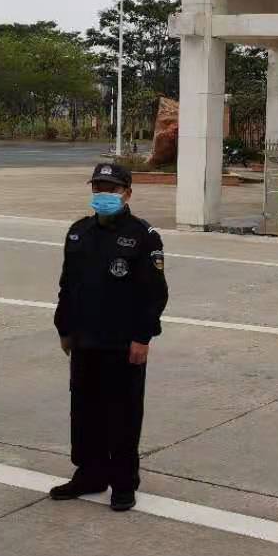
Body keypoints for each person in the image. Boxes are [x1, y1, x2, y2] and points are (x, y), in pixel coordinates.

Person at [52, 163, 169, 511]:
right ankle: (89, 474)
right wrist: (64, 328)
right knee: (84, 412)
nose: (104, 195)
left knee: (123, 415)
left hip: (122, 343)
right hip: (84, 340)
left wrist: (143, 337)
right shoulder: (79, 232)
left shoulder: (144, 236)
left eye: (112, 189)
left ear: (127, 194)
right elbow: (67, 285)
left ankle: (123, 482)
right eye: (98, 188)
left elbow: (154, 293)